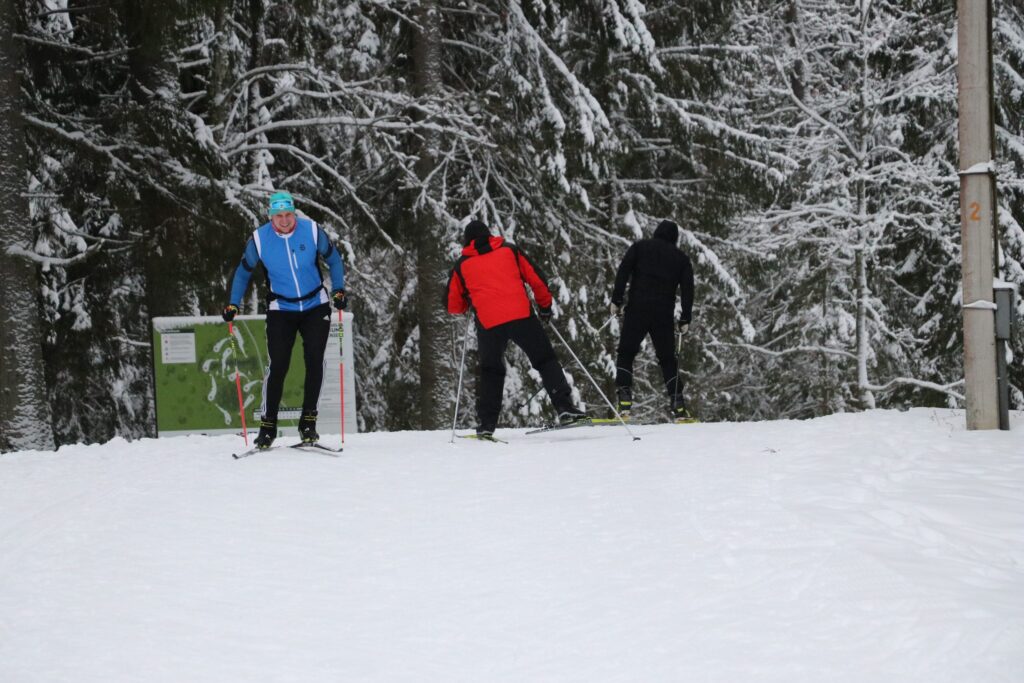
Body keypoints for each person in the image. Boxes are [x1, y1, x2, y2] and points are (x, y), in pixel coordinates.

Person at [221, 191, 346, 449]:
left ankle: (308, 424)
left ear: (294, 213)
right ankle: (268, 427)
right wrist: (233, 303)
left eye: (289, 214)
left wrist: (338, 290)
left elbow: (334, 259)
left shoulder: (311, 231)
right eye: (279, 216)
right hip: (281, 308)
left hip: (315, 305)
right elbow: (243, 272)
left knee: (315, 361)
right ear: (271, 216)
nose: (285, 220)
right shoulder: (259, 239)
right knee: (278, 365)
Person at [446, 220, 587, 437]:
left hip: (489, 323)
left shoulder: (462, 265)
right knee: (544, 359)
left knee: (491, 371)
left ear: (467, 241)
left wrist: (467, 301)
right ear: (489, 234)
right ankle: (564, 407)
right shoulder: (508, 250)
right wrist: (545, 307)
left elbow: (453, 306)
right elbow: (536, 279)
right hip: (521, 316)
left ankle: (487, 425)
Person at [610, 219, 695, 421]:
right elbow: (688, 289)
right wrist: (685, 318)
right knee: (667, 359)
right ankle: (678, 403)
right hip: (662, 315)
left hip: (637, 310)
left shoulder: (640, 248)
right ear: (675, 239)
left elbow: (623, 271)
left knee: (626, 353)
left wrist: (616, 299)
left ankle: (624, 400)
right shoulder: (681, 259)